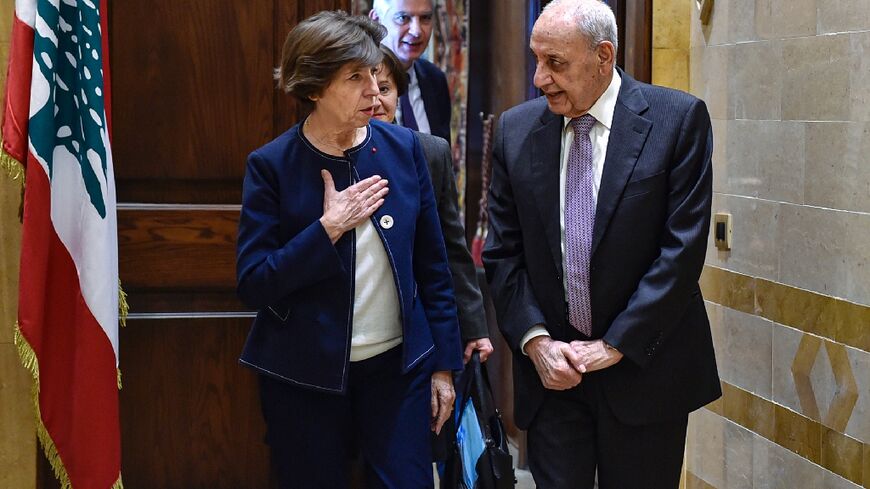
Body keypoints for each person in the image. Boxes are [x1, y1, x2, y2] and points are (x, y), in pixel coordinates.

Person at [482, 1, 721, 488]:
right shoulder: (515, 130)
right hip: (555, 377)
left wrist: (613, 345)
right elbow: (503, 254)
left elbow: (681, 253)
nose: (539, 79)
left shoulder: (677, 121)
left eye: (556, 64)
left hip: (644, 370)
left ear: (604, 56)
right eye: (536, 60)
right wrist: (537, 342)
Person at [235, 11, 462, 488]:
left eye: (374, 76)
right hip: (302, 376)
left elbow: (434, 269)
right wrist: (328, 228)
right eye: (355, 77)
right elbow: (254, 283)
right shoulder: (272, 165)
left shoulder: (405, 149)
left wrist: (444, 367)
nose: (374, 91)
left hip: (399, 372)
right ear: (315, 88)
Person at [372, 45, 493, 363]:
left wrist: (474, 326)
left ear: (398, 92)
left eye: (384, 88)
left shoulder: (429, 152)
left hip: (419, 318)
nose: (375, 100)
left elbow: (451, 246)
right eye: (364, 88)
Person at [370, 0, 452, 142]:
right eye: (403, 18)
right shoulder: (360, 85)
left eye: (425, 18)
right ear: (376, 20)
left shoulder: (435, 78)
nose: (416, 31)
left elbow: (442, 158)